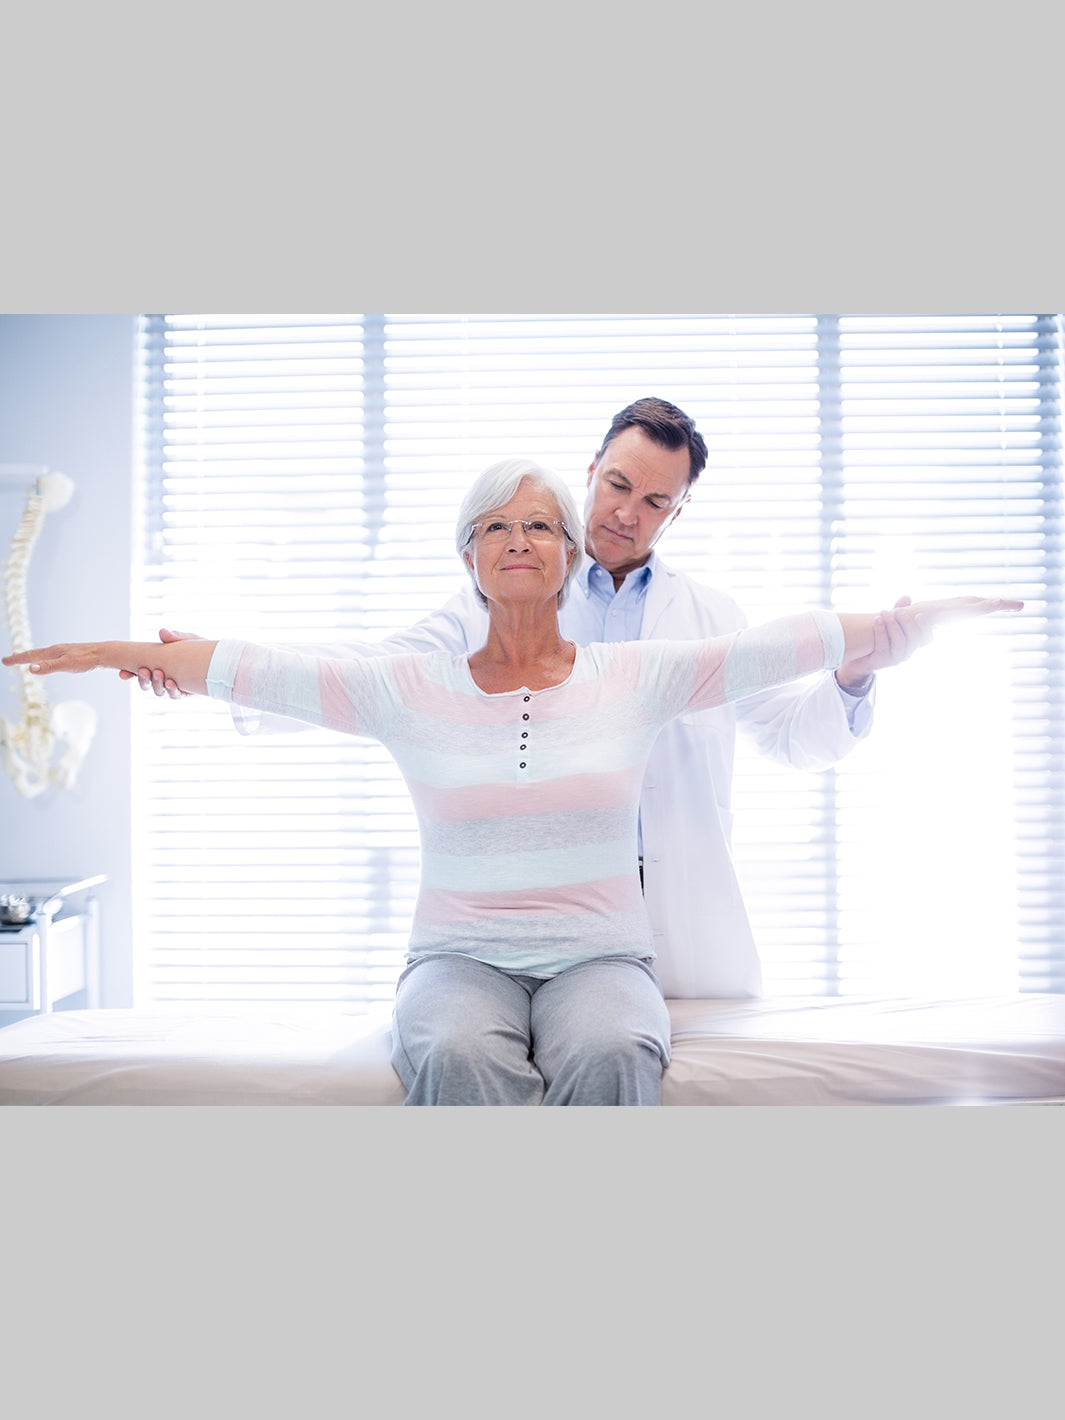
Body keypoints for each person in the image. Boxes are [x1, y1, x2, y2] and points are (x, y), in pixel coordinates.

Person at [4, 458, 1022, 1105]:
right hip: (459, 957)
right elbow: (279, 671)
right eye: (497, 524)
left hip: (600, 958)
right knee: (453, 1052)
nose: (521, 537)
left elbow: (771, 648)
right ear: (471, 558)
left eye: (540, 523)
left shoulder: (634, 675)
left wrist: (891, 630)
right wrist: (114, 651)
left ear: (570, 552)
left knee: (619, 1044)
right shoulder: (412, 685)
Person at [124, 398, 936, 1000]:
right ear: (590, 473)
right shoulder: (501, 599)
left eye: (655, 500)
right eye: (616, 484)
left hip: (680, 920)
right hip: (533, 926)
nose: (625, 512)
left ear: (680, 508)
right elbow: (370, 673)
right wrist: (212, 667)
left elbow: (791, 739)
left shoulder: (711, 617)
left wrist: (852, 675)